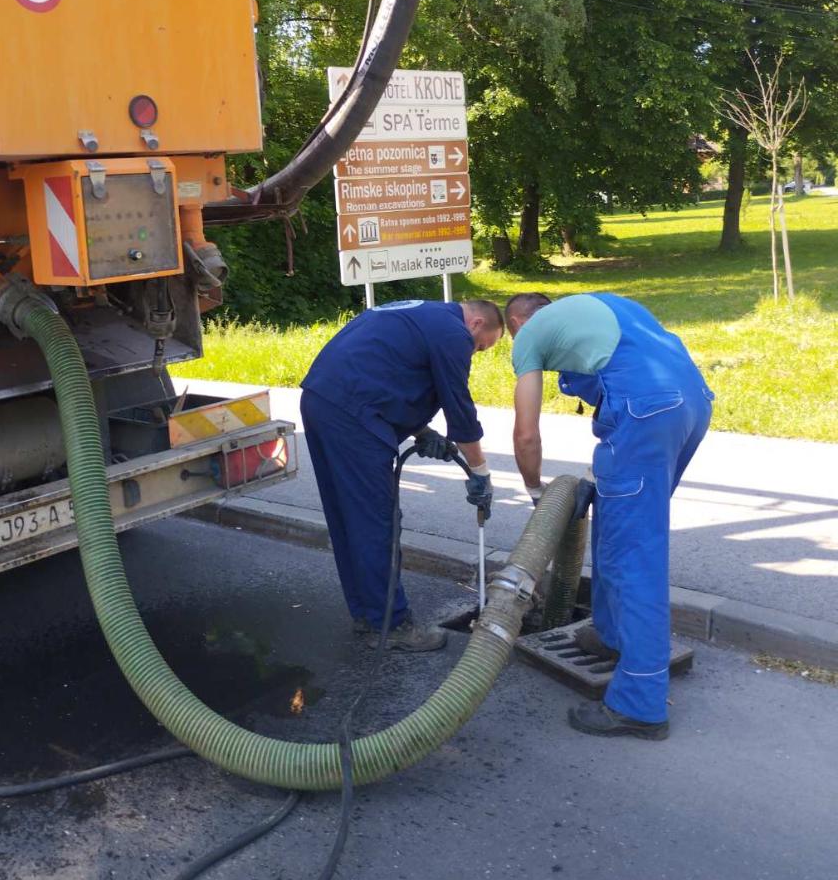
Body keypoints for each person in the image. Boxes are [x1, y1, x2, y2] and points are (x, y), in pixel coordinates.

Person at [504, 291, 713, 739]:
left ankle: (640, 704)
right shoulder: (605, 306)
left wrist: (536, 490)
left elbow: (525, 435)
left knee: (633, 556)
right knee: (617, 533)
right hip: (691, 403)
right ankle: (613, 635)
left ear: (519, 323)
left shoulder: (529, 336)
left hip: (647, 414)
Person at [301, 298, 503, 651]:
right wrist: (480, 472)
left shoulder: (419, 313)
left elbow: (385, 372)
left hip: (323, 400)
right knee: (376, 521)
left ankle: (368, 616)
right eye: (481, 346)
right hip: (353, 415)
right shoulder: (454, 333)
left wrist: (420, 431)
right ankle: (391, 624)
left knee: (349, 519)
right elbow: (459, 407)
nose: (476, 352)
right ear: (477, 323)